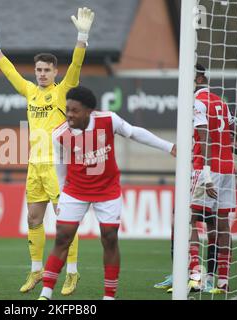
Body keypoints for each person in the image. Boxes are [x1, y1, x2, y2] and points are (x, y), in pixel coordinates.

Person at [0, 7, 95, 295]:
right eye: (39, 70)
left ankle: (72, 273)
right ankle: (36, 271)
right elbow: (9, 72)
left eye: (47, 70)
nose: (42, 74)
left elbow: (76, 65)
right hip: (34, 165)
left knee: (65, 220)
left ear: (55, 72)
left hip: (59, 166)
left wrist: (82, 36)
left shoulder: (63, 90)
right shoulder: (30, 91)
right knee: (33, 219)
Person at [37, 86, 176, 300]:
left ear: (89, 111)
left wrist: (168, 146)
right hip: (74, 191)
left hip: (107, 190)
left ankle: (109, 296)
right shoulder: (59, 134)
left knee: (109, 239)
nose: (70, 115)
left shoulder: (109, 120)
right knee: (62, 239)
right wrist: (60, 197)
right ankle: (46, 294)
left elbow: (134, 133)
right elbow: (60, 167)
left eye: (75, 110)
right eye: (67, 109)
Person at [156, 64, 237, 294]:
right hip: (228, 169)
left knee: (186, 218)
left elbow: (204, 138)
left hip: (205, 168)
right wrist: (234, 149)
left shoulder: (196, 102)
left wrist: (206, 173)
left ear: (197, 78)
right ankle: (221, 281)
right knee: (221, 224)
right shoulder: (221, 102)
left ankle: (195, 275)